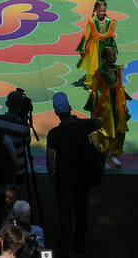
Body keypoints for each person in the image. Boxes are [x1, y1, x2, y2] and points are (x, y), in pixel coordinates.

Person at [46, 91, 102, 258]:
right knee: (81, 213)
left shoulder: (54, 133)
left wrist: (51, 175)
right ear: (70, 108)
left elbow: (50, 157)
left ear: (56, 112)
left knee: (65, 214)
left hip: (63, 180)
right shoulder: (83, 126)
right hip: (82, 178)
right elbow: (98, 122)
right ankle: (79, 247)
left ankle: (64, 248)